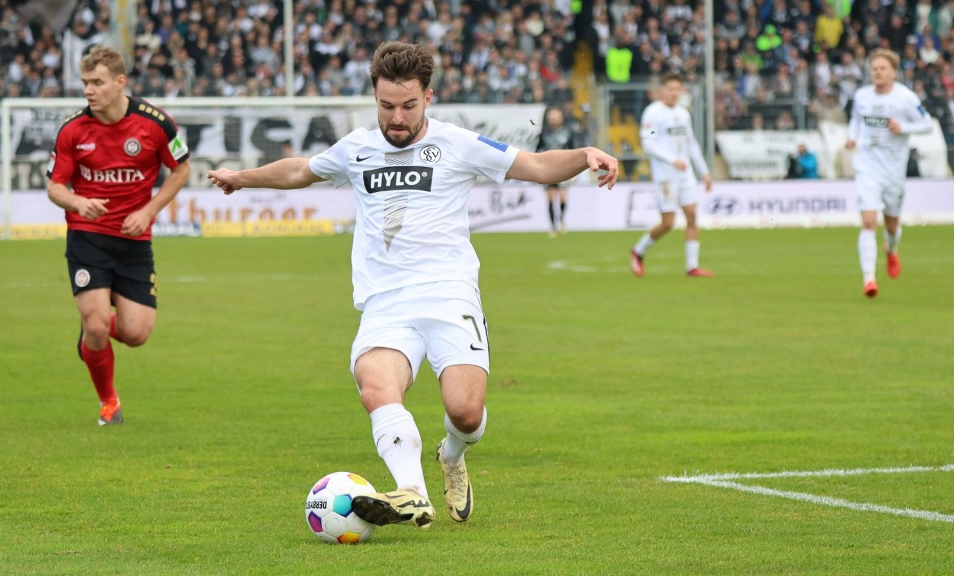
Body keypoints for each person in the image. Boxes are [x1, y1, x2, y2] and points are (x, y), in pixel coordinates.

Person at [207, 41, 618, 529]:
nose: (395, 118)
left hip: (449, 294)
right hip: (386, 302)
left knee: (466, 412)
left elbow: (536, 166)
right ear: (374, 99)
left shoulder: (457, 143)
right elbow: (301, 169)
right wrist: (242, 178)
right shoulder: (357, 148)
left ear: (428, 97)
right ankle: (411, 493)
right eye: (386, 106)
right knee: (376, 386)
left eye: (407, 105)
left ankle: (452, 456)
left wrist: (585, 154)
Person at [46, 46, 191, 425]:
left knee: (136, 333)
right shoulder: (73, 130)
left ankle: (91, 337)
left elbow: (181, 169)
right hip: (87, 237)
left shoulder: (154, 123)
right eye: (85, 83)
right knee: (96, 325)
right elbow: (54, 187)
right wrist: (78, 202)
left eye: (97, 83)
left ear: (120, 82)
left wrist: (148, 211)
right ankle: (108, 403)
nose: (89, 91)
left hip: (134, 240)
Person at [844, 48, 932, 298]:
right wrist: (852, 138)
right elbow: (856, 121)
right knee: (869, 221)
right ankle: (869, 280)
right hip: (867, 166)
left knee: (892, 225)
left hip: (893, 170)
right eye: (874, 69)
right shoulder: (862, 96)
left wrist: (903, 127)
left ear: (894, 72)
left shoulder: (906, 98)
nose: (878, 72)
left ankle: (891, 250)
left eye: (882, 68)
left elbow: (927, 124)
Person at [630, 72, 713, 278]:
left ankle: (692, 266)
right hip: (666, 175)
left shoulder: (683, 113)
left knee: (692, 215)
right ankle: (638, 251)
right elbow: (648, 143)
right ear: (662, 91)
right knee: (668, 223)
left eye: (678, 89)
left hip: (686, 175)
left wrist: (704, 172)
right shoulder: (653, 113)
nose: (674, 93)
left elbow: (691, 143)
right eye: (670, 89)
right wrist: (672, 160)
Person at [535, 105, 578, 237]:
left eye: (555, 117)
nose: (553, 120)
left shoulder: (567, 132)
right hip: (549, 170)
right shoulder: (544, 134)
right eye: (551, 117)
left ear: (561, 118)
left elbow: (573, 150)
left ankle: (561, 221)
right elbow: (537, 150)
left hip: (564, 170)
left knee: (563, 197)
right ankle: (553, 226)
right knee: (550, 198)